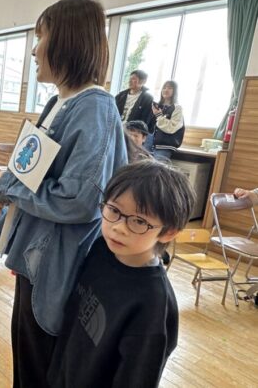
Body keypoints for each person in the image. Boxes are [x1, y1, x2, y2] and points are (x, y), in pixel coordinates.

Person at [0, 0, 127, 387]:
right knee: (27, 363)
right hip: (34, 257)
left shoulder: (95, 109)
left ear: (66, 41)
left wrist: (13, 191)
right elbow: (29, 172)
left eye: (41, 37)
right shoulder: (59, 102)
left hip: (56, 266)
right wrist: (7, 197)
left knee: (41, 370)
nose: (34, 50)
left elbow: (78, 200)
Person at [47, 160, 195, 387]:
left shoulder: (153, 303)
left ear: (168, 233)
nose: (118, 227)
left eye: (139, 221)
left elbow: (138, 378)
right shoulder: (101, 249)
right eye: (114, 210)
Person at [152, 80, 185, 160]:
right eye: (164, 88)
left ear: (175, 91)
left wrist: (159, 116)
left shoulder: (177, 108)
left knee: (157, 167)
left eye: (170, 88)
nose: (166, 90)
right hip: (149, 144)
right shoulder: (156, 106)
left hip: (164, 146)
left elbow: (171, 128)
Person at [115, 69, 155, 134]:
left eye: (133, 79)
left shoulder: (148, 98)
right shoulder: (120, 95)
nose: (130, 81)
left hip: (132, 133)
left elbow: (145, 121)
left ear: (143, 81)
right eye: (130, 78)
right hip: (116, 130)